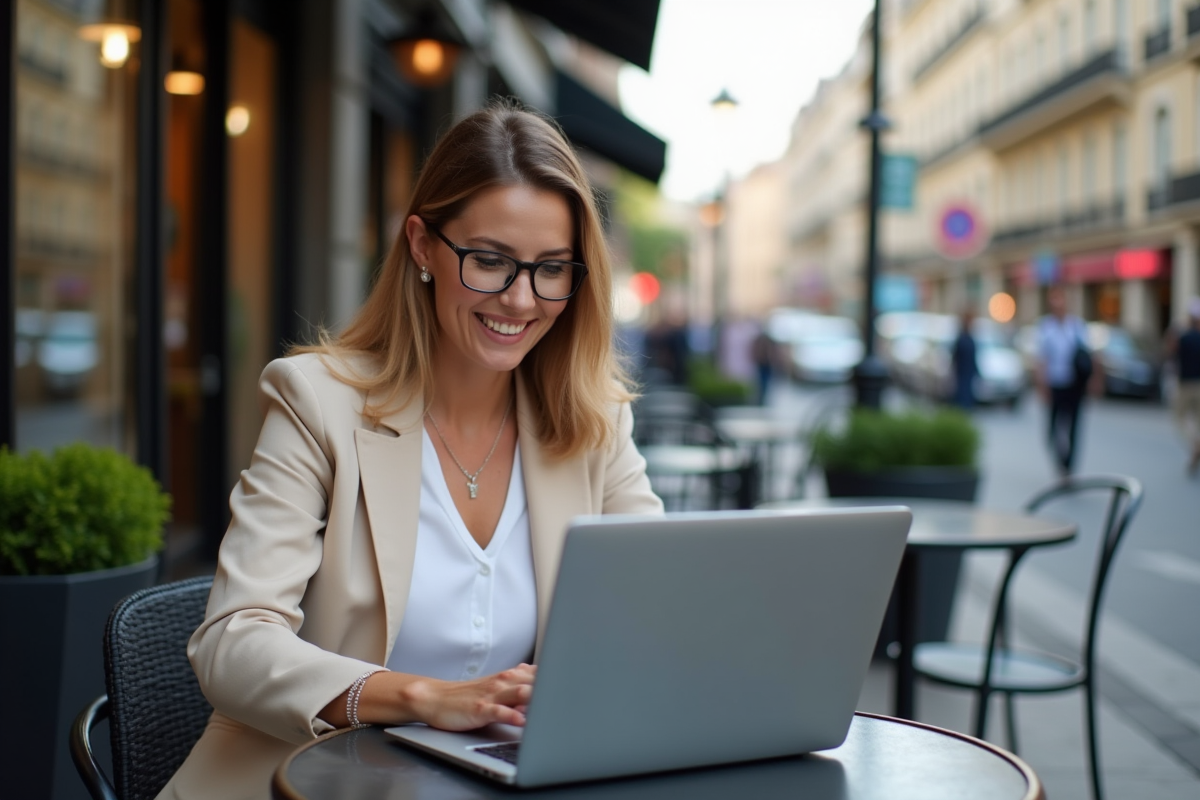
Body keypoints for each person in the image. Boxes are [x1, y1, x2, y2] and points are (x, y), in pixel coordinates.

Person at [157, 102, 663, 800]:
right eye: (489, 261)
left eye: (552, 269)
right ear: (423, 245)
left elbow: (654, 614)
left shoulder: (594, 421)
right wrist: (425, 697)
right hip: (296, 784)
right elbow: (233, 643)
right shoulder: (316, 402)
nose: (520, 299)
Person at [1035, 286, 1098, 477]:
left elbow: (1090, 354)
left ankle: (1069, 466)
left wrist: (1093, 379)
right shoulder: (1045, 327)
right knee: (1052, 429)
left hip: (1074, 384)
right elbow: (1041, 359)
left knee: (1074, 426)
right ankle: (1060, 459)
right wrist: (1041, 385)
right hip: (1055, 383)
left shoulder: (1076, 326)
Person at [1167, 297, 1200, 474]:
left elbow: (1170, 354)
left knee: (1179, 419)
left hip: (1185, 384)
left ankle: (1195, 444)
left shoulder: (1184, 337)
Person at [950, 309, 978, 409]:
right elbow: (954, 358)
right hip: (961, 376)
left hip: (968, 376)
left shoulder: (970, 338)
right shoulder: (962, 339)